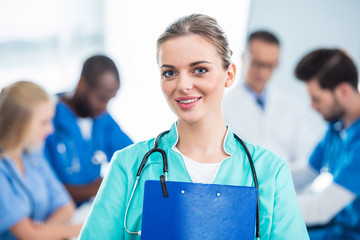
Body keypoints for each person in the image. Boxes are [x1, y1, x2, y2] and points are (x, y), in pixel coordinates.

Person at [80, 14, 309, 239]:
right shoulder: (129, 166)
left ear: (229, 75)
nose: (183, 85)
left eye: (199, 70)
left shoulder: (270, 172)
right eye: (170, 73)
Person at [223, 30, 322, 166]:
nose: (262, 72)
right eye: (257, 64)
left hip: (283, 182)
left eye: (270, 66)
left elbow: (308, 155)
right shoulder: (223, 104)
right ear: (243, 58)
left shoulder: (292, 105)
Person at [45, 55, 133, 205]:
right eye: (101, 99)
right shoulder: (47, 118)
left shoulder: (102, 118)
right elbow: (41, 188)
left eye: (110, 99)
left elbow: (133, 159)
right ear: (82, 83)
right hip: (58, 215)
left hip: (91, 208)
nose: (105, 107)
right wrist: (96, 188)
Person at [0, 81, 82, 240]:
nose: (51, 129)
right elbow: (27, 234)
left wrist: (42, 232)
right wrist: (83, 227)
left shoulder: (32, 155)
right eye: (44, 122)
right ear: (20, 125)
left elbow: (66, 207)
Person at [293, 48, 360, 239]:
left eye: (316, 99)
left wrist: (261, 207)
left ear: (343, 91)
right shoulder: (338, 127)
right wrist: (259, 178)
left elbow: (322, 208)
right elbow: (307, 171)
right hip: (337, 230)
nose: (312, 106)